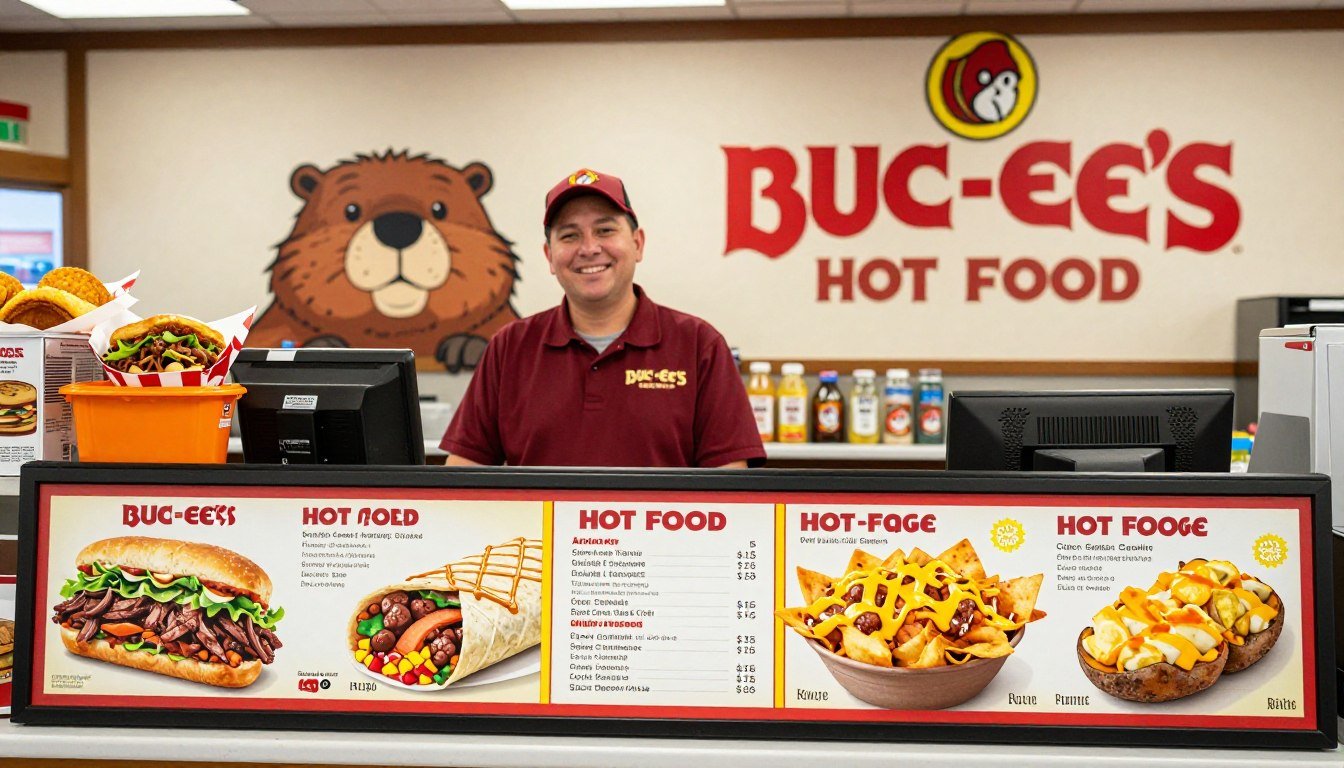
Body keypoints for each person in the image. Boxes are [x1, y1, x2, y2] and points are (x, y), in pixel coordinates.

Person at [441, 168, 765, 468]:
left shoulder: (699, 345)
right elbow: (462, 477)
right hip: (536, 533)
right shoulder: (509, 347)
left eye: (605, 230)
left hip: (661, 533)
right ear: (549, 256)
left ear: (637, 244)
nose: (590, 248)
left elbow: (730, 487)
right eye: (569, 236)